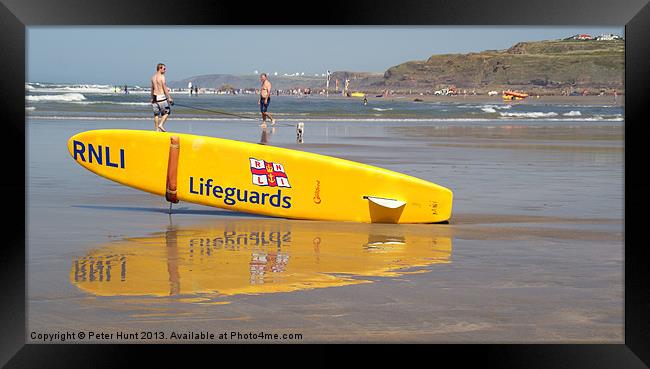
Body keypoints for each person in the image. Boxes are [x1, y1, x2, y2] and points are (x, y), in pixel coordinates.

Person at [151, 63, 174, 132]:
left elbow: (152, 88)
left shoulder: (153, 77)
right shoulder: (162, 77)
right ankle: (161, 124)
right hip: (161, 97)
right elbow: (164, 88)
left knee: (156, 114)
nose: (165, 70)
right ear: (160, 68)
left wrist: (152, 97)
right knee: (167, 112)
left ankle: (156, 129)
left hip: (155, 97)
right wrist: (169, 98)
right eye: (164, 69)